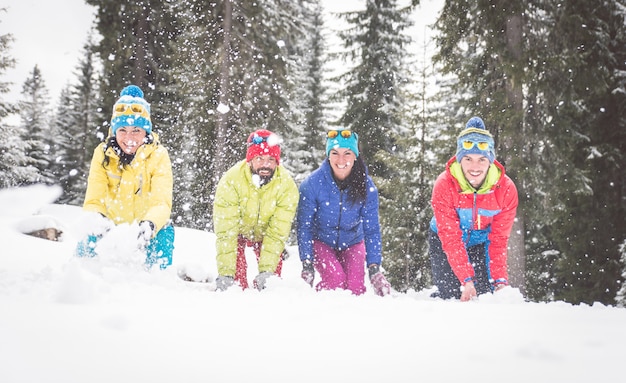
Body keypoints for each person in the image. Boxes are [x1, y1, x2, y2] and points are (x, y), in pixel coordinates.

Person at [75, 85, 175, 269]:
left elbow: (161, 202)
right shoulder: (102, 153)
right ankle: (83, 274)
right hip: (109, 226)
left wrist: (149, 225)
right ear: (115, 131)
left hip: (144, 229)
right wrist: (99, 220)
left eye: (136, 130)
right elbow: (93, 199)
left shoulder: (159, 155)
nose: (129, 137)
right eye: (123, 130)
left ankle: (157, 282)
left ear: (146, 131)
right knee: (88, 230)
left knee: (164, 230)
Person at [429, 116, 518, 301]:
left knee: (487, 294)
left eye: (482, 159)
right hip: (445, 240)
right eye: (468, 158)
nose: (474, 167)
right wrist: (466, 280)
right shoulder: (444, 185)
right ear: (459, 159)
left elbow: (498, 240)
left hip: (481, 242)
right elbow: (451, 237)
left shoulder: (506, 190)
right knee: (453, 295)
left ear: (490, 161)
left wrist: (500, 281)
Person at [296, 129, 391, 296]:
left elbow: (372, 230)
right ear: (328, 155)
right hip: (321, 242)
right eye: (335, 153)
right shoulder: (312, 184)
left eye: (347, 153)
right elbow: (305, 226)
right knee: (335, 280)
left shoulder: (367, 187)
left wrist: (374, 268)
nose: (341, 160)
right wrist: (307, 262)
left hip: (352, 242)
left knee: (355, 289)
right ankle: (320, 312)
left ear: (355, 156)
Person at [213, 129, 299, 291]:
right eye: (259, 158)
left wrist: (267, 271)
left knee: (271, 283)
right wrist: (226, 273)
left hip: (266, 234)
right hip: (239, 231)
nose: (265, 165)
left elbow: (277, 233)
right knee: (236, 284)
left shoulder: (286, 186)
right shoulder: (231, 181)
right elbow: (226, 232)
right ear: (250, 159)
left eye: (271, 159)